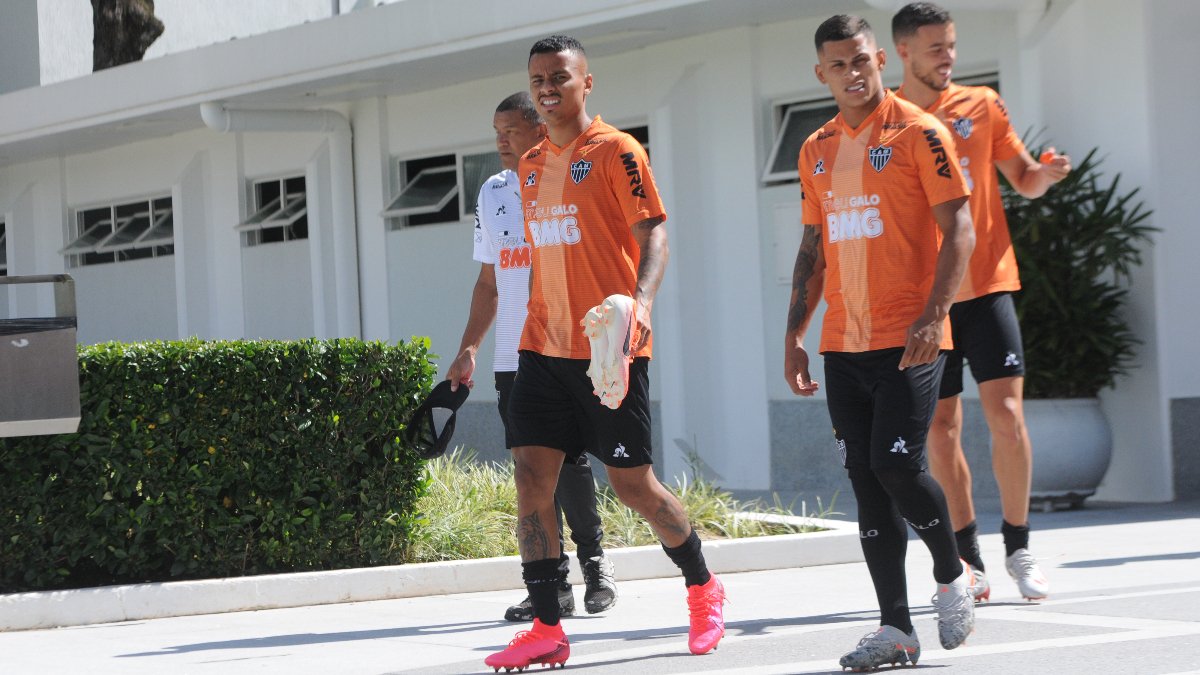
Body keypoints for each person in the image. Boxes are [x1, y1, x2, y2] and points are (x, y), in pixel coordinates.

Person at [484, 35, 726, 672]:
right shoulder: (529, 163)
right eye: (539, 78)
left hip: (608, 349)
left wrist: (640, 304)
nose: (547, 87)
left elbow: (655, 233)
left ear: (586, 82)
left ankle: (703, 585)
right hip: (540, 347)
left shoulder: (618, 151)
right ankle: (545, 627)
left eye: (560, 77)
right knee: (532, 479)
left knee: (633, 486)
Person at [785, 15, 978, 671]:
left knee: (898, 465)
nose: (852, 73)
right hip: (844, 342)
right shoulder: (813, 148)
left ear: (879, 60)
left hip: (912, 338)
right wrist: (794, 334)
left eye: (861, 60)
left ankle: (952, 574)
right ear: (822, 74)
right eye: (838, 65)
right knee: (867, 484)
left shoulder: (921, 132)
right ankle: (895, 628)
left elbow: (961, 230)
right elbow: (813, 251)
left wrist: (935, 314)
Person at [892, 2, 1072, 602]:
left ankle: (1018, 546)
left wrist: (1045, 174)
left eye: (951, 45)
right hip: (930, 300)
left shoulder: (982, 104)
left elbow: (1021, 176)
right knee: (942, 428)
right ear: (904, 54)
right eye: (935, 47)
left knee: (1009, 417)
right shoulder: (891, 122)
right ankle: (969, 559)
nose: (947, 56)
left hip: (990, 281)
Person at [445, 91, 618, 624]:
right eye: (495, 131)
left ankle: (596, 568)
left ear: (538, 126)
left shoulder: (570, 178)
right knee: (530, 470)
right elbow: (488, 281)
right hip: (511, 359)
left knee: (573, 464)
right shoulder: (492, 191)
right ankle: (552, 583)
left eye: (511, 130)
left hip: (567, 348)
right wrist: (468, 348)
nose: (501, 140)